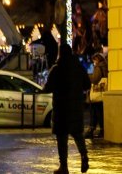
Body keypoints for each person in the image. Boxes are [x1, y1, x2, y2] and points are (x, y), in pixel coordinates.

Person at [44, 43, 90, 174]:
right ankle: (84, 155)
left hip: (61, 109)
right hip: (75, 107)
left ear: (60, 53)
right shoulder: (79, 68)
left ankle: (64, 166)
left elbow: (48, 87)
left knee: (62, 138)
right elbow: (87, 84)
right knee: (77, 134)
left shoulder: (56, 69)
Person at [86, 52, 107, 139]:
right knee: (100, 112)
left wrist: (88, 76)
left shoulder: (98, 67)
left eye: (94, 60)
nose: (93, 62)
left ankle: (92, 129)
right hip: (103, 93)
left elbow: (95, 79)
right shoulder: (105, 66)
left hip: (97, 94)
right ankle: (101, 130)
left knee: (95, 111)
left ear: (97, 59)